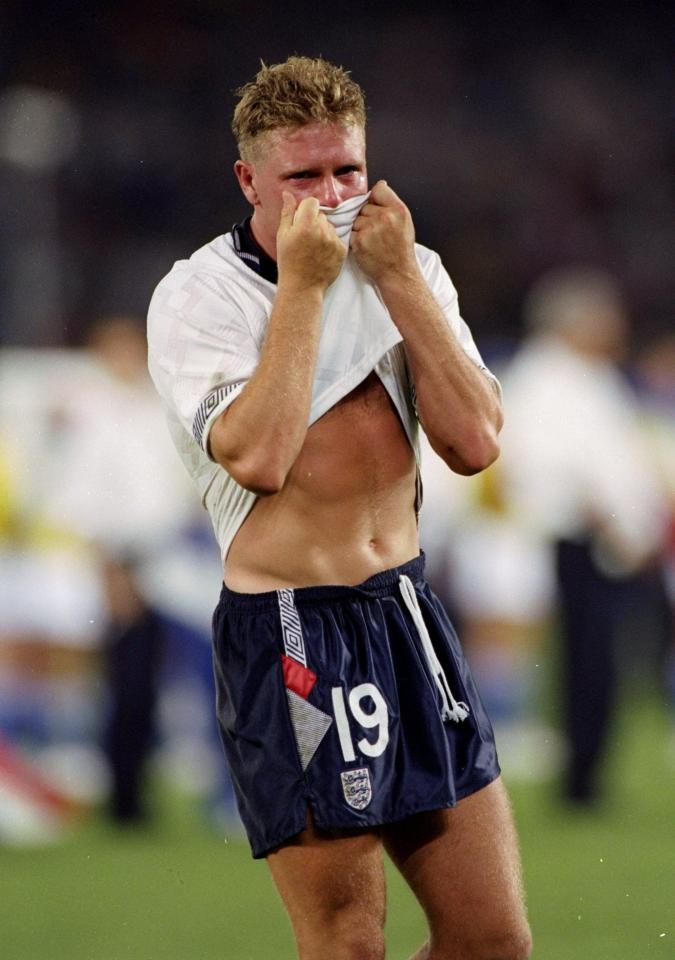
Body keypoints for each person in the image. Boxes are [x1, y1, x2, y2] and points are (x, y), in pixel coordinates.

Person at [148, 57, 531, 960]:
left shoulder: (411, 266)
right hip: (292, 633)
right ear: (249, 180)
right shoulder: (198, 296)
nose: (330, 196)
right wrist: (308, 287)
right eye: (302, 177)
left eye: (346, 171)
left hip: (406, 612)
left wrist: (398, 281)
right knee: (347, 944)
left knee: (492, 939)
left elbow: (475, 442)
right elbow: (260, 457)